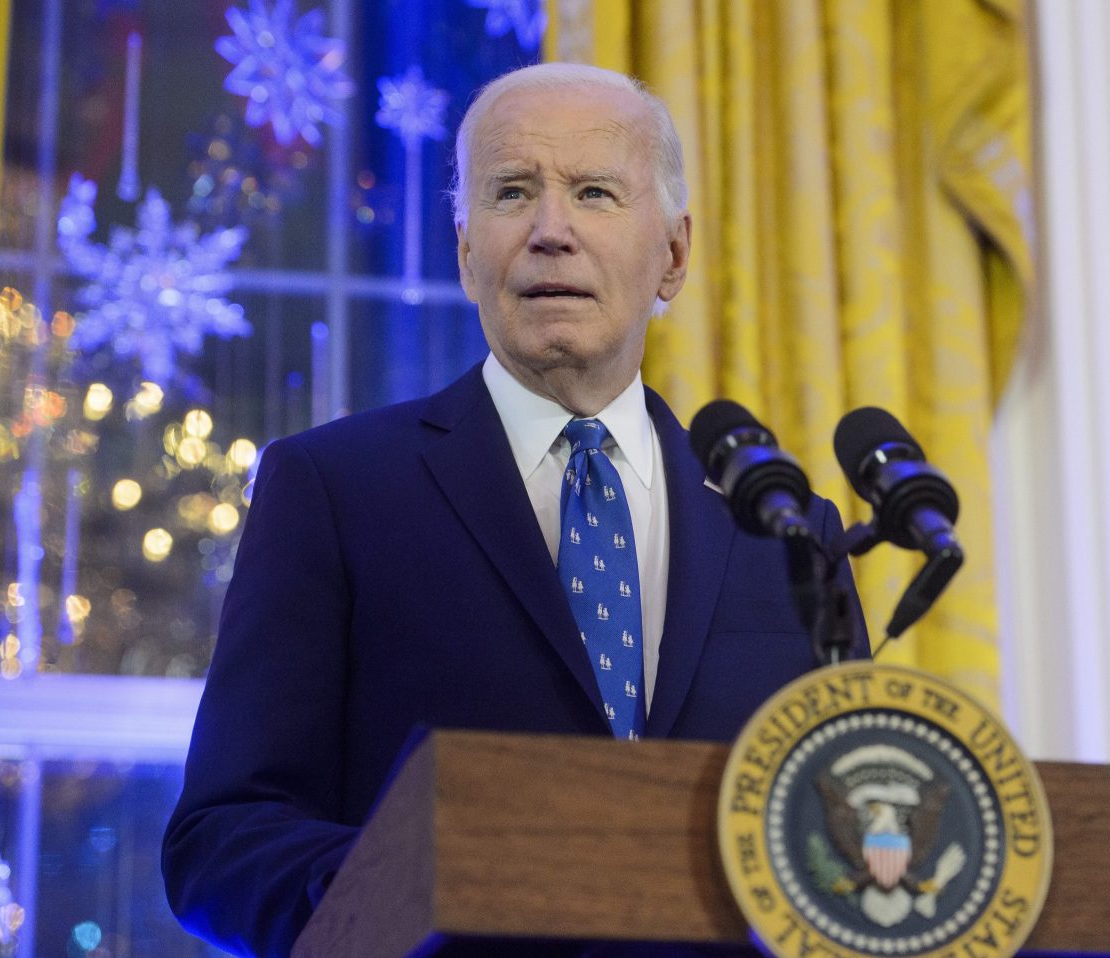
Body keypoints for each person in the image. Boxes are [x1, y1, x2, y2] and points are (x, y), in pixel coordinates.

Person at [162, 62, 864, 957]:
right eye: (511, 193)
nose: (550, 231)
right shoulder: (332, 490)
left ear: (674, 255)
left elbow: (844, 837)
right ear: (464, 250)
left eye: (596, 192)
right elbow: (222, 841)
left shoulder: (783, 527)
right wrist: (425, 887)